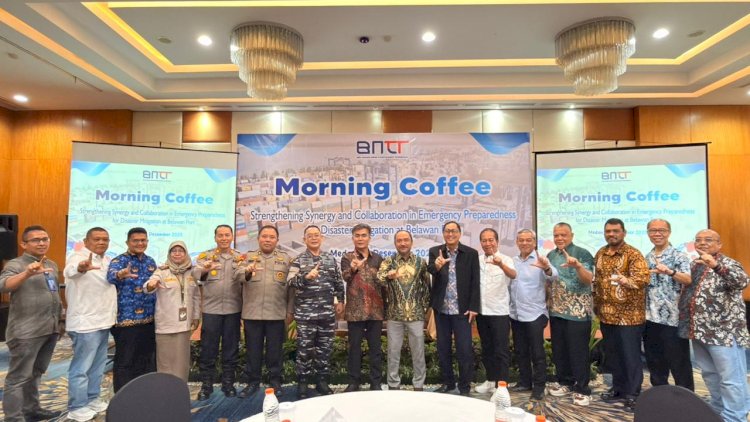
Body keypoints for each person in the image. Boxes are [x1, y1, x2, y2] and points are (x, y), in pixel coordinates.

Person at [678, 229, 750, 422]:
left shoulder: (728, 263)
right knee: (710, 375)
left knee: (731, 379)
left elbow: (742, 282)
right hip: (699, 331)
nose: (702, 243)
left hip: (723, 332)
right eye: (698, 240)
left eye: (708, 240)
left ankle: (735, 417)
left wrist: (716, 266)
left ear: (719, 244)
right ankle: (718, 413)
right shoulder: (695, 264)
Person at [0, 225, 62, 422]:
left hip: (49, 328)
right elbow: (4, 285)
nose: (42, 243)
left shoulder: (51, 264)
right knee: (18, 378)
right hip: (26, 332)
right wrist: (26, 273)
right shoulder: (16, 264)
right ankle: (13, 417)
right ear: (23, 244)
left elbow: (53, 293)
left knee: (36, 373)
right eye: (36, 240)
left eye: (45, 239)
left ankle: (32, 409)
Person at [592, 218, 649, 412]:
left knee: (630, 356)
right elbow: (597, 281)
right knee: (614, 355)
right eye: (608, 231)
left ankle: (633, 394)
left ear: (623, 232)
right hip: (606, 315)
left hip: (629, 317)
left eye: (615, 231)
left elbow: (643, 279)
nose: (611, 234)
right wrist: (596, 304)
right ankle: (618, 389)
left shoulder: (633, 253)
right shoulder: (601, 253)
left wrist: (627, 281)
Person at [63, 227, 116, 421]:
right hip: (85, 324)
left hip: (103, 322)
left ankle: (92, 398)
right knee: (81, 368)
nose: (102, 242)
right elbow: (71, 271)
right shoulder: (77, 257)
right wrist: (81, 267)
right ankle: (76, 406)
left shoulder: (107, 260)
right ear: (86, 241)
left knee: (97, 366)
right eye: (97, 239)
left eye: (105, 239)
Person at [288, 225, 344, 398]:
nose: (313, 238)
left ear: (322, 238)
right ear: (304, 239)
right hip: (306, 315)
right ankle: (303, 383)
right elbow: (290, 282)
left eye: (316, 235)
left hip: (326, 313)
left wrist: (340, 300)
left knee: (324, 349)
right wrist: (305, 277)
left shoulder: (330, 259)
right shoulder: (298, 260)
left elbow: (338, 282)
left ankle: (322, 382)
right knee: (304, 350)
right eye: (310, 235)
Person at [238, 225, 293, 398]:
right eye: (264, 236)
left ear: (277, 240)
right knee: (252, 351)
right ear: (258, 238)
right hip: (252, 313)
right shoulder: (247, 258)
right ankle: (252, 382)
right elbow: (237, 277)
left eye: (271, 237)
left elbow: (291, 288)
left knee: (275, 351)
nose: (267, 240)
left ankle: (275, 381)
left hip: (276, 313)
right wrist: (247, 272)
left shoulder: (286, 259)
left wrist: (290, 311)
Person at [427, 221, 480, 396]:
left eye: (454, 231)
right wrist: (437, 266)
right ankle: (448, 383)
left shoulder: (471, 253)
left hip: (462, 310)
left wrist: (474, 306)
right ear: (443, 234)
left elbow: (475, 281)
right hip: (441, 309)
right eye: (447, 231)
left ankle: (465, 387)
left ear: (459, 233)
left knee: (464, 350)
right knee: (443, 349)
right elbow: (430, 269)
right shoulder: (435, 251)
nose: (450, 234)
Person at [545, 223, 595, 406]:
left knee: (578, 352)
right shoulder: (551, 255)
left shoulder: (582, 253)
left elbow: (588, 279)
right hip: (556, 311)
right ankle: (565, 382)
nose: (559, 238)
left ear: (571, 235)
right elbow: (549, 281)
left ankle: (582, 389)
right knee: (560, 350)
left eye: (563, 235)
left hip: (578, 312)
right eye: (556, 235)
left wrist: (578, 266)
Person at [195, 224, 247, 400]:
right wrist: (205, 269)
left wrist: (248, 272)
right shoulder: (206, 256)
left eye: (227, 235)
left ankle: (228, 384)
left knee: (230, 349)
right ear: (215, 237)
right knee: (208, 349)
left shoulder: (239, 257)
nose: (224, 238)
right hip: (211, 310)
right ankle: (206, 386)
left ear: (232, 237)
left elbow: (244, 277)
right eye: (220, 235)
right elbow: (196, 275)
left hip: (233, 309)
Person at [376, 230, 431, 391]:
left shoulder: (420, 262)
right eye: (399, 240)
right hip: (394, 314)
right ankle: (393, 384)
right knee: (393, 351)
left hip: (416, 314)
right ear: (395, 243)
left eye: (406, 240)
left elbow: (426, 286)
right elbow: (378, 279)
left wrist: (425, 308)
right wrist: (388, 276)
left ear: (411, 242)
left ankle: (419, 385)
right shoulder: (389, 261)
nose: (403, 243)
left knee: (418, 352)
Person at [643, 219, 694, 391]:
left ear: (669, 232)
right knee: (655, 363)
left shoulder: (679, 256)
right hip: (650, 318)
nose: (657, 234)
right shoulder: (646, 257)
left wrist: (670, 271)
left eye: (662, 230)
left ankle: (687, 399)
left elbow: (688, 279)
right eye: (653, 230)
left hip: (673, 319)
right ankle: (660, 397)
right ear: (648, 233)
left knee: (679, 363)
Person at [107, 227, 158, 392]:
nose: (140, 243)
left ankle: (142, 394)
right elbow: (111, 276)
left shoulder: (151, 262)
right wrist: (120, 274)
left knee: (145, 360)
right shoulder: (119, 261)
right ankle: (122, 396)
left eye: (143, 240)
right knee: (125, 361)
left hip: (148, 320)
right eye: (136, 240)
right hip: (126, 322)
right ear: (127, 242)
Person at [509, 229, 558, 402]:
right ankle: (525, 382)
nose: (524, 243)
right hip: (515, 313)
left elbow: (554, 276)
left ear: (534, 242)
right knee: (520, 350)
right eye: (521, 240)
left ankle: (539, 387)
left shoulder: (541, 260)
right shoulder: (513, 261)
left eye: (528, 240)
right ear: (517, 242)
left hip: (535, 314)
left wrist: (547, 268)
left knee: (537, 353)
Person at [144, 241, 201, 382]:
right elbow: (148, 286)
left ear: (186, 253)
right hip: (166, 325)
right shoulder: (161, 271)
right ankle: (165, 391)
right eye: (174, 251)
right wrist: (151, 285)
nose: (177, 254)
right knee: (165, 362)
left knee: (182, 362)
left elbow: (196, 296)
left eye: (180, 251)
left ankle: (180, 390)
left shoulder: (192, 272)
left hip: (184, 325)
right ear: (169, 254)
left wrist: (196, 317)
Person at [341, 223, 385, 392]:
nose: (360, 238)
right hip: (355, 312)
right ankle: (354, 382)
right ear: (353, 238)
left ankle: (376, 382)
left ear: (369, 238)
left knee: (375, 349)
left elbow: (383, 283)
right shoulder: (347, 257)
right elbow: (345, 277)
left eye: (364, 235)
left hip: (375, 311)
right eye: (357, 235)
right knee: (354, 348)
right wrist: (353, 269)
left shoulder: (378, 259)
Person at [474, 228, 516, 395]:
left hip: (499, 312)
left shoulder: (506, 259)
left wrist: (501, 265)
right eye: (484, 240)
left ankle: (502, 386)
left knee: (501, 351)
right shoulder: (477, 260)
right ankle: (491, 380)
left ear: (497, 241)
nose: (488, 243)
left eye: (491, 240)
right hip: (482, 312)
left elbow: (513, 275)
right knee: (487, 349)